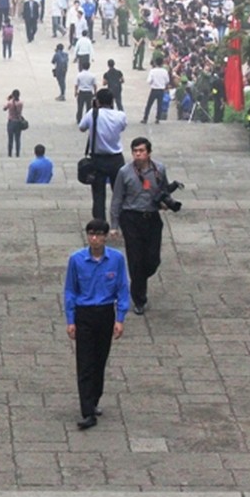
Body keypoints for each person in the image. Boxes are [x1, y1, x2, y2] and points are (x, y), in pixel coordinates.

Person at [63, 220, 129, 430]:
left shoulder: (116, 259)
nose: (94, 239)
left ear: (105, 237)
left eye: (98, 234)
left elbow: (122, 288)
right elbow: (70, 291)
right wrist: (71, 320)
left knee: (100, 361)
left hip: (105, 313)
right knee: (85, 363)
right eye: (91, 234)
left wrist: (120, 318)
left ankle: (94, 398)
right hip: (84, 314)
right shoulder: (76, 260)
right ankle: (87, 411)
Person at [110, 137, 171, 315]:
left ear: (148, 153)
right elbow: (117, 199)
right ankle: (139, 298)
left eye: (141, 151)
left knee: (152, 260)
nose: (138, 154)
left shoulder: (159, 169)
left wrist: (165, 203)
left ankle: (140, 279)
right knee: (136, 259)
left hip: (152, 217)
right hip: (131, 218)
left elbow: (164, 190)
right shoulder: (124, 172)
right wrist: (114, 224)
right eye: (135, 151)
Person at [78, 89, 127, 221]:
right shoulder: (120, 115)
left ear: (97, 101)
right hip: (116, 158)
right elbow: (122, 127)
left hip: (98, 159)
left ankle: (100, 223)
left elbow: (81, 127)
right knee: (119, 193)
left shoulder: (92, 114)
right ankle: (119, 221)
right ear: (112, 101)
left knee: (98, 194)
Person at [141, 57, 171, 124]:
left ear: (156, 63)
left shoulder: (153, 71)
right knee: (159, 105)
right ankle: (157, 119)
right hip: (161, 90)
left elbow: (149, 81)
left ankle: (145, 118)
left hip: (154, 89)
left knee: (149, 104)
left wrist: (153, 83)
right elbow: (167, 81)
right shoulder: (165, 71)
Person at [74, 59, 97, 123]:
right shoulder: (92, 75)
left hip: (81, 92)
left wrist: (75, 92)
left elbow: (76, 84)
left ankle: (79, 119)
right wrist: (95, 93)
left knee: (80, 107)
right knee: (89, 107)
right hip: (89, 92)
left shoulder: (79, 75)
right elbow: (95, 85)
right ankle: (88, 119)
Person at [3, 89, 24, 158]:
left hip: (11, 121)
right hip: (18, 122)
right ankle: (17, 153)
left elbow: (4, 108)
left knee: (10, 139)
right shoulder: (21, 103)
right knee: (18, 139)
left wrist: (9, 100)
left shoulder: (10, 103)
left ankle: (9, 153)